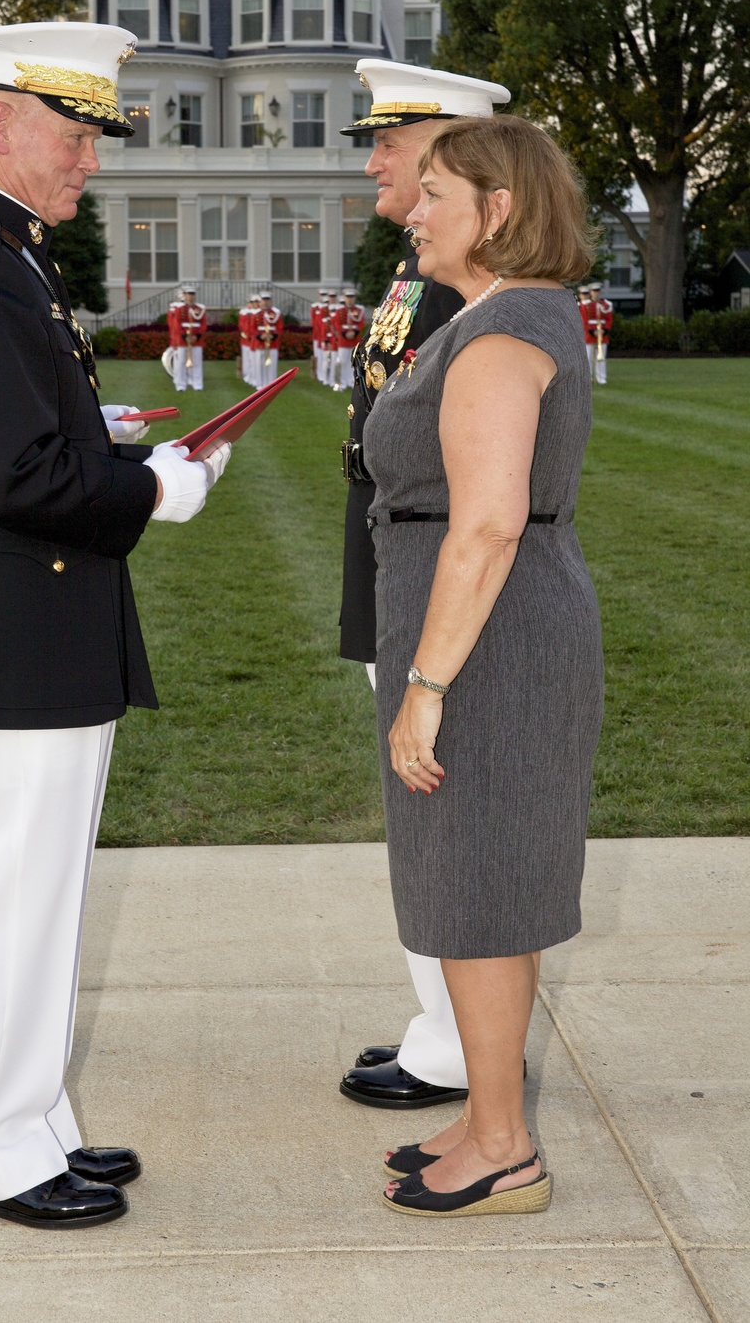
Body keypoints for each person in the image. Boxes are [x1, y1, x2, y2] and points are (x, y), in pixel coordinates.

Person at [0, 20, 228, 1230]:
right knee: (11, 904)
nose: (90, 157)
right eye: (74, 131)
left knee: (40, 904)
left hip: (30, 621)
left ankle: (28, 1122)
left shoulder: (4, 257)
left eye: (95, 134)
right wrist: (155, 490)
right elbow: (18, 477)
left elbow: (28, 445)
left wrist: (127, 454)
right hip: (8, 627)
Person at [365, 114, 601, 1216]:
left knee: (482, 885)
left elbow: (489, 523)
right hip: (485, 630)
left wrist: (425, 686)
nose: (415, 210)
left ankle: (505, 1147)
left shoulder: (505, 332)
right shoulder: (493, 317)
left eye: (437, 195)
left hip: (488, 643)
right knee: (476, 878)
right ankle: (483, 1115)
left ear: (496, 212)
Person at [336, 61, 510, 1114]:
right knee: (425, 813)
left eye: (391, 146)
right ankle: (439, 1028)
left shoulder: (467, 280)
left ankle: (456, 1045)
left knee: (446, 808)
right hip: (390, 554)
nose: (374, 163)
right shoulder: (422, 271)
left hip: (433, 564)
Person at [169, 283, 206, 390]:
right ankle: (181, 385)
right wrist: (184, 336)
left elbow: (203, 324)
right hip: (182, 338)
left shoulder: (200, 308)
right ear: (184, 295)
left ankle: (197, 384)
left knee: (197, 361)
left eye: (192, 294)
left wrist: (197, 336)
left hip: (196, 338)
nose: (191, 296)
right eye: (188, 294)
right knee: (181, 362)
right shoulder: (179, 309)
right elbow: (176, 324)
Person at [257, 289, 283, 385]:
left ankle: (271, 385)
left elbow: (279, 327)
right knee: (260, 365)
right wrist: (260, 336)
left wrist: (273, 335)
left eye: (267, 300)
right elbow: (252, 328)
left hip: (273, 342)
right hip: (260, 342)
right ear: (260, 301)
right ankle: (261, 385)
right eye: (264, 300)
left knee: (272, 365)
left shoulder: (276, 313)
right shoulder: (257, 313)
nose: (265, 302)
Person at [590, 282, 612, 384]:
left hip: (602, 334)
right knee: (588, 358)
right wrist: (592, 331)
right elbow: (584, 320)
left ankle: (601, 378)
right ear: (591, 293)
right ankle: (589, 378)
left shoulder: (606, 305)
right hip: (589, 335)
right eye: (594, 291)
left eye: (598, 291)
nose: (596, 293)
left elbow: (609, 319)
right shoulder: (586, 305)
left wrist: (604, 330)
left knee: (601, 357)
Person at [244, 292, 263, 388]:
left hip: (257, 340)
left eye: (256, 301)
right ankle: (253, 378)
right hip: (251, 340)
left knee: (257, 362)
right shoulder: (250, 313)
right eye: (253, 302)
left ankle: (257, 380)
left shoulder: (260, 313)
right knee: (251, 361)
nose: (254, 304)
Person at [310, 288, 329, 380]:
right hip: (318, 335)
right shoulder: (315, 306)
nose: (323, 296)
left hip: (326, 335)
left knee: (325, 356)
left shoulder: (329, 307)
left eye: (325, 294)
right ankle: (317, 373)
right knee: (318, 356)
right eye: (321, 295)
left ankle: (325, 374)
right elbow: (314, 322)